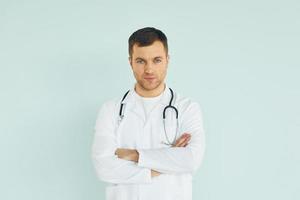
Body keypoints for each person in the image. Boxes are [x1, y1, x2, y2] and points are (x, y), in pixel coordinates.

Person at [91, 27, 205, 200]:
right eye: (141, 61)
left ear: (167, 60)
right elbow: (104, 168)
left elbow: (191, 159)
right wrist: (168, 159)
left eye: (157, 60)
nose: (149, 69)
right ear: (130, 62)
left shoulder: (187, 108)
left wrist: (134, 155)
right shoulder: (111, 110)